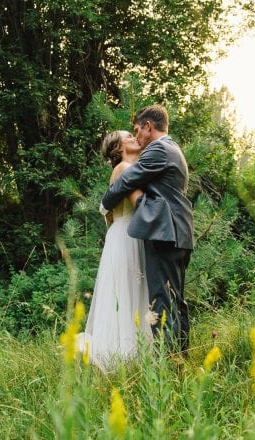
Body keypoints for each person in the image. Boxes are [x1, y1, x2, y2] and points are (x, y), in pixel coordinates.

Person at [101, 105, 194, 353]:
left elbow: (127, 183)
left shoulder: (157, 150)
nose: (136, 136)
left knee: (163, 302)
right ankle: (179, 359)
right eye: (130, 135)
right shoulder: (172, 147)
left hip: (165, 233)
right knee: (175, 301)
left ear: (148, 127)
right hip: (179, 234)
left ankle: (169, 363)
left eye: (136, 131)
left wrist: (104, 204)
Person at [77, 130, 153, 371]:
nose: (134, 137)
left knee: (135, 291)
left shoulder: (134, 167)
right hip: (126, 235)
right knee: (126, 292)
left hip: (130, 234)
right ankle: (123, 356)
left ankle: (135, 355)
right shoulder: (123, 168)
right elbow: (135, 205)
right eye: (128, 136)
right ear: (118, 149)